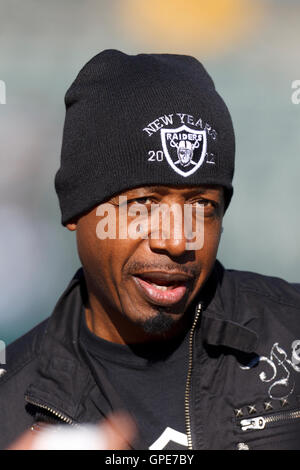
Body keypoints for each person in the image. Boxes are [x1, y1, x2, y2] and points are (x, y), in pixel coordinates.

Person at [1, 50, 300, 451]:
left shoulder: (290, 332)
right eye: (143, 204)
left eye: (202, 206)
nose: (177, 241)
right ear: (75, 209)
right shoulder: (11, 406)